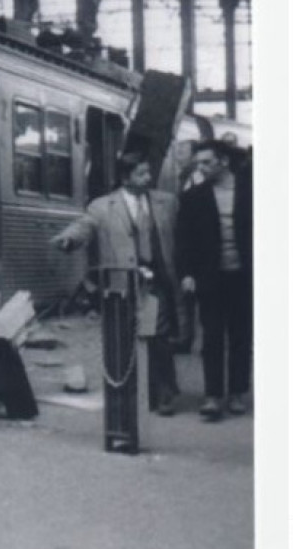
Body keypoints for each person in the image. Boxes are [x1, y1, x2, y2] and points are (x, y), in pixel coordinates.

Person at [51, 151, 180, 414]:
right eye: (141, 173)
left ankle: (164, 392)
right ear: (125, 177)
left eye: (148, 172)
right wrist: (69, 239)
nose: (147, 178)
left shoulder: (167, 202)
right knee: (125, 335)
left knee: (159, 334)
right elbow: (85, 225)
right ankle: (133, 390)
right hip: (122, 279)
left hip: (157, 278)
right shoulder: (102, 206)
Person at [177, 139, 253, 421]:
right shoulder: (194, 196)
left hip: (244, 275)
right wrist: (185, 273)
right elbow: (183, 240)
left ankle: (236, 393)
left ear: (223, 161)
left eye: (207, 162)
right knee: (211, 336)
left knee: (240, 335)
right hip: (210, 276)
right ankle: (212, 395)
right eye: (198, 163)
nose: (202, 167)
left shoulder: (251, 191)